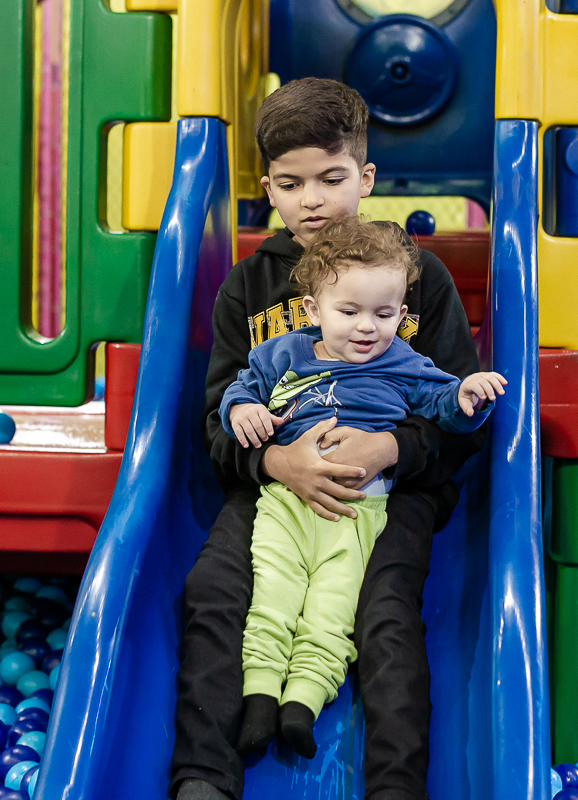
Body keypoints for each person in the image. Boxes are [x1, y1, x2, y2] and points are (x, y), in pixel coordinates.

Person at [170, 77, 488, 800]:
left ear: (365, 177)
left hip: (390, 493)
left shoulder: (417, 278)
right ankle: (203, 776)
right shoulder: (248, 289)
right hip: (275, 489)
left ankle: (393, 787)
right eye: (292, 183)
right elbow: (218, 417)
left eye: (331, 178)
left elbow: (460, 419)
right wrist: (276, 460)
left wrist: (392, 451)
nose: (312, 199)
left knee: (384, 615)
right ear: (267, 189)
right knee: (213, 592)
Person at [220, 216, 505, 760]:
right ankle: (259, 695)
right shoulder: (281, 354)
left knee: (334, 606)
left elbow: (447, 408)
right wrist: (247, 410)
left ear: (402, 313)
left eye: (383, 313)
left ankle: (302, 701)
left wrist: (470, 394)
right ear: (313, 311)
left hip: (359, 508)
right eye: (348, 312)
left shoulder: (406, 364)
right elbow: (239, 391)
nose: (366, 327)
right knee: (274, 592)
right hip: (285, 500)